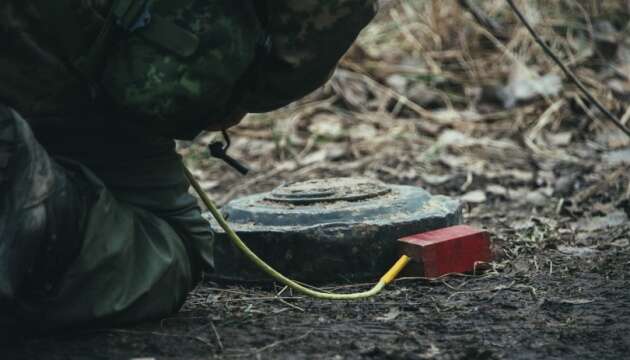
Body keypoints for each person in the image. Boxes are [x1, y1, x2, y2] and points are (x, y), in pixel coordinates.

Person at [0, 0, 383, 335]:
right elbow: (321, 27)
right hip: (83, 75)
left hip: (90, 88)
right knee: (168, 244)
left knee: (169, 242)